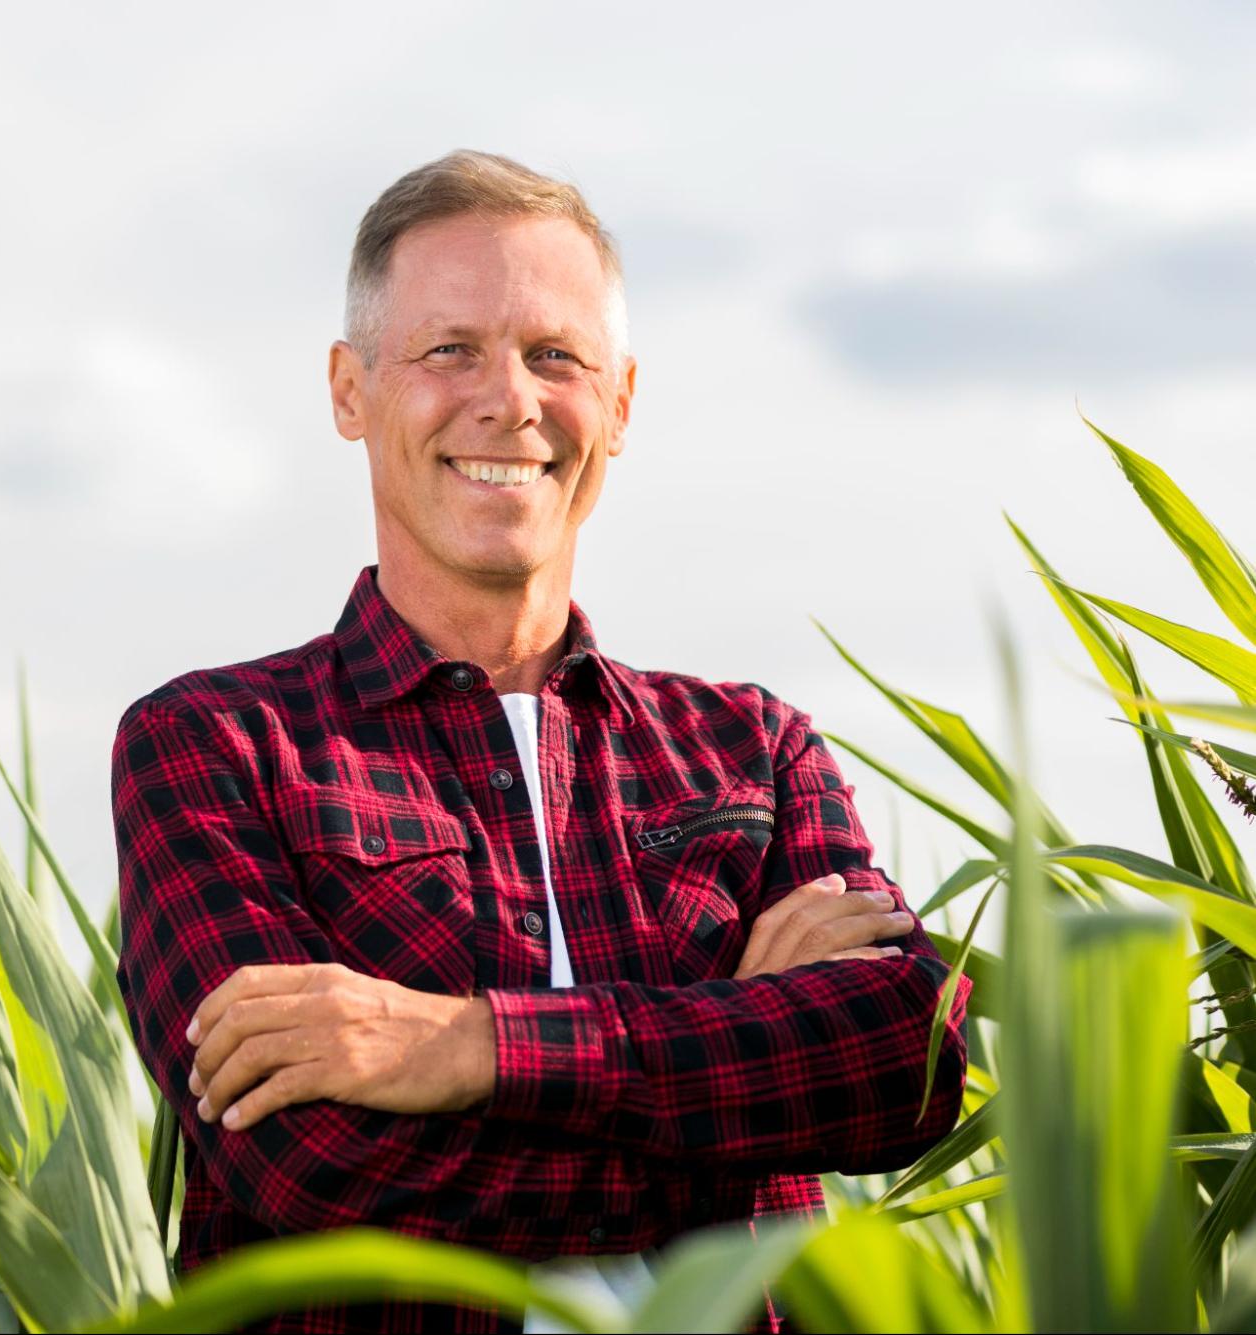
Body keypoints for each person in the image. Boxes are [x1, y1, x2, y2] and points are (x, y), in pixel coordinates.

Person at [109, 148, 970, 1334]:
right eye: (447, 348)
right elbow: (317, 1169)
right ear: (349, 391)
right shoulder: (214, 748)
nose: (507, 399)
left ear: (617, 403)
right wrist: (733, 1070)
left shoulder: (751, 750)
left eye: (555, 356)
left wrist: (463, 1048)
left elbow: (898, 1063)